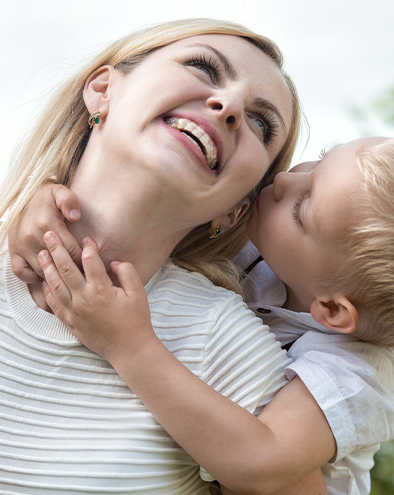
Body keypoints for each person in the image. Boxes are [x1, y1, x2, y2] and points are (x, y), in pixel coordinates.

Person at [0, 18, 331, 495]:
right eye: (203, 67)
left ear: (236, 211)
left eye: (261, 124)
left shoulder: (225, 344)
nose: (230, 104)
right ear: (102, 89)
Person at [13, 137, 394, 495]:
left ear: (331, 310)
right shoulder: (274, 256)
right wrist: (53, 204)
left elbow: (260, 463)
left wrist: (129, 344)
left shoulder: (357, 373)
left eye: (303, 207)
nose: (283, 180)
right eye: (323, 157)